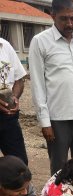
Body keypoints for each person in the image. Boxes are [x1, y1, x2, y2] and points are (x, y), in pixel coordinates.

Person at [29, 0, 73, 176]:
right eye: (64, 19)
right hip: (58, 119)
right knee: (59, 168)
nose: (69, 23)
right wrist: (45, 122)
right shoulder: (40, 42)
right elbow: (37, 84)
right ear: (53, 16)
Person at [0, 37, 28, 165]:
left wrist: (15, 97)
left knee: (19, 164)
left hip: (8, 117)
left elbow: (19, 80)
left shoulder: (5, 46)